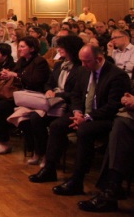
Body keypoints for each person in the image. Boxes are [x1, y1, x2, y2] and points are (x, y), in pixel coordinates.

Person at [28, 45, 130, 196]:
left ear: (99, 59)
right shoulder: (83, 71)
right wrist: (77, 112)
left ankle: (77, 180)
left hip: (104, 118)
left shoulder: (117, 76)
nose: (83, 65)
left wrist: (88, 118)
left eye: (87, 61)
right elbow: (76, 95)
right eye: (81, 61)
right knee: (57, 126)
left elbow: (113, 106)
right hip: (83, 113)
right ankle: (50, 169)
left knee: (85, 131)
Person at [17, 35, 87, 166]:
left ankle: (49, 157)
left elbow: (77, 93)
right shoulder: (59, 65)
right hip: (53, 101)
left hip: (69, 104)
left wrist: (59, 94)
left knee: (53, 124)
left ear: (71, 48)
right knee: (32, 117)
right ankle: (39, 152)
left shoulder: (80, 68)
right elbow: (48, 83)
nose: (58, 49)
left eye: (62, 47)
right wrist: (49, 90)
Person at [0, 36, 50, 155]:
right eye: (19, 46)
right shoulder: (22, 60)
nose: (19, 49)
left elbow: (35, 81)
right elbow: (15, 75)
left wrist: (15, 75)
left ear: (32, 48)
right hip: (18, 93)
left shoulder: (39, 62)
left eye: (23, 46)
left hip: (31, 95)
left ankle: (5, 142)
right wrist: (7, 74)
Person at [78, 92, 134, 212]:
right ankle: (110, 189)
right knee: (120, 126)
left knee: (121, 127)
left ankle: (110, 191)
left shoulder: (116, 75)